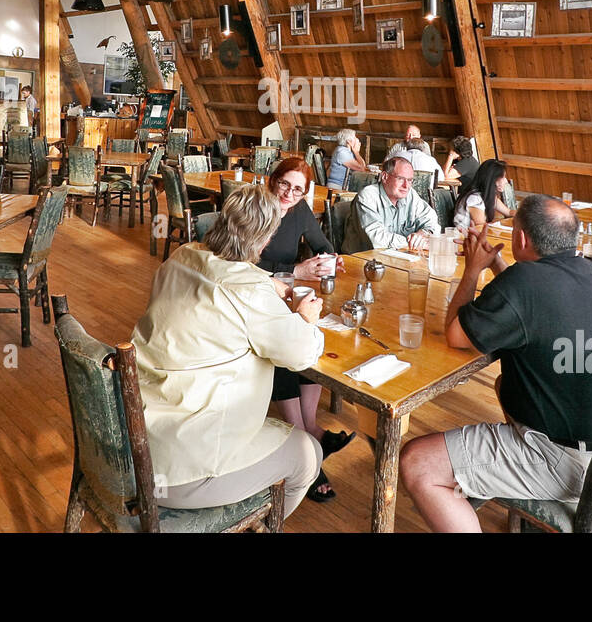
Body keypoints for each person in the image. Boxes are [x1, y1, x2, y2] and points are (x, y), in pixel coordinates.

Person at [398, 195, 592, 532]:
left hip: (569, 463)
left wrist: (473, 270)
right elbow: (532, 302)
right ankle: (484, 479)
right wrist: (497, 268)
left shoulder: (523, 283)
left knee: (417, 462)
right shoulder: (589, 272)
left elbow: (455, 335)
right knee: (503, 385)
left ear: (520, 239)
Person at [132, 184, 326, 515]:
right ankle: (250, 522)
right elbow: (302, 355)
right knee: (309, 453)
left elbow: (225, 277)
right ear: (265, 241)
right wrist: (305, 319)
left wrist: (268, 284)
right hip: (183, 466)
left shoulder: (179, 258)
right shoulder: (249, 292)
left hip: (136, 437)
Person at [256, 158, 354, 504]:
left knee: (310, 329)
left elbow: (321, 242)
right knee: (284, 343)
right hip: (254, 297)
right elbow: (243, 264)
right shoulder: (255, 209)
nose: (289, 194)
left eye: (298, 189)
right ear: (273, 180)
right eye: (285, 184)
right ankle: (304, 444)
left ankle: (310, 427)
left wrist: (330, 258)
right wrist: (295, 268)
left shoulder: (298, 210)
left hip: (285, 296)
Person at [340, 156, 441, 253]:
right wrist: (412, 243)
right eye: (400, 179)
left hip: (398, 257)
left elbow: (431, 220)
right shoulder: (367, 196)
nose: (406, 185)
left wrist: (423, 234)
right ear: (384, 177)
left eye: (410, 180)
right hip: (362, 262)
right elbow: (377, 239)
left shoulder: (410, 195)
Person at [452, 159, 513, 231]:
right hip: (463, 238)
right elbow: (481, 226)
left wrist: (526, 214)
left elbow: (509, 212)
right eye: (503, 177)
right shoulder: (475, 198)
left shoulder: (489, 196)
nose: (506, 181)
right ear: (493, 179)